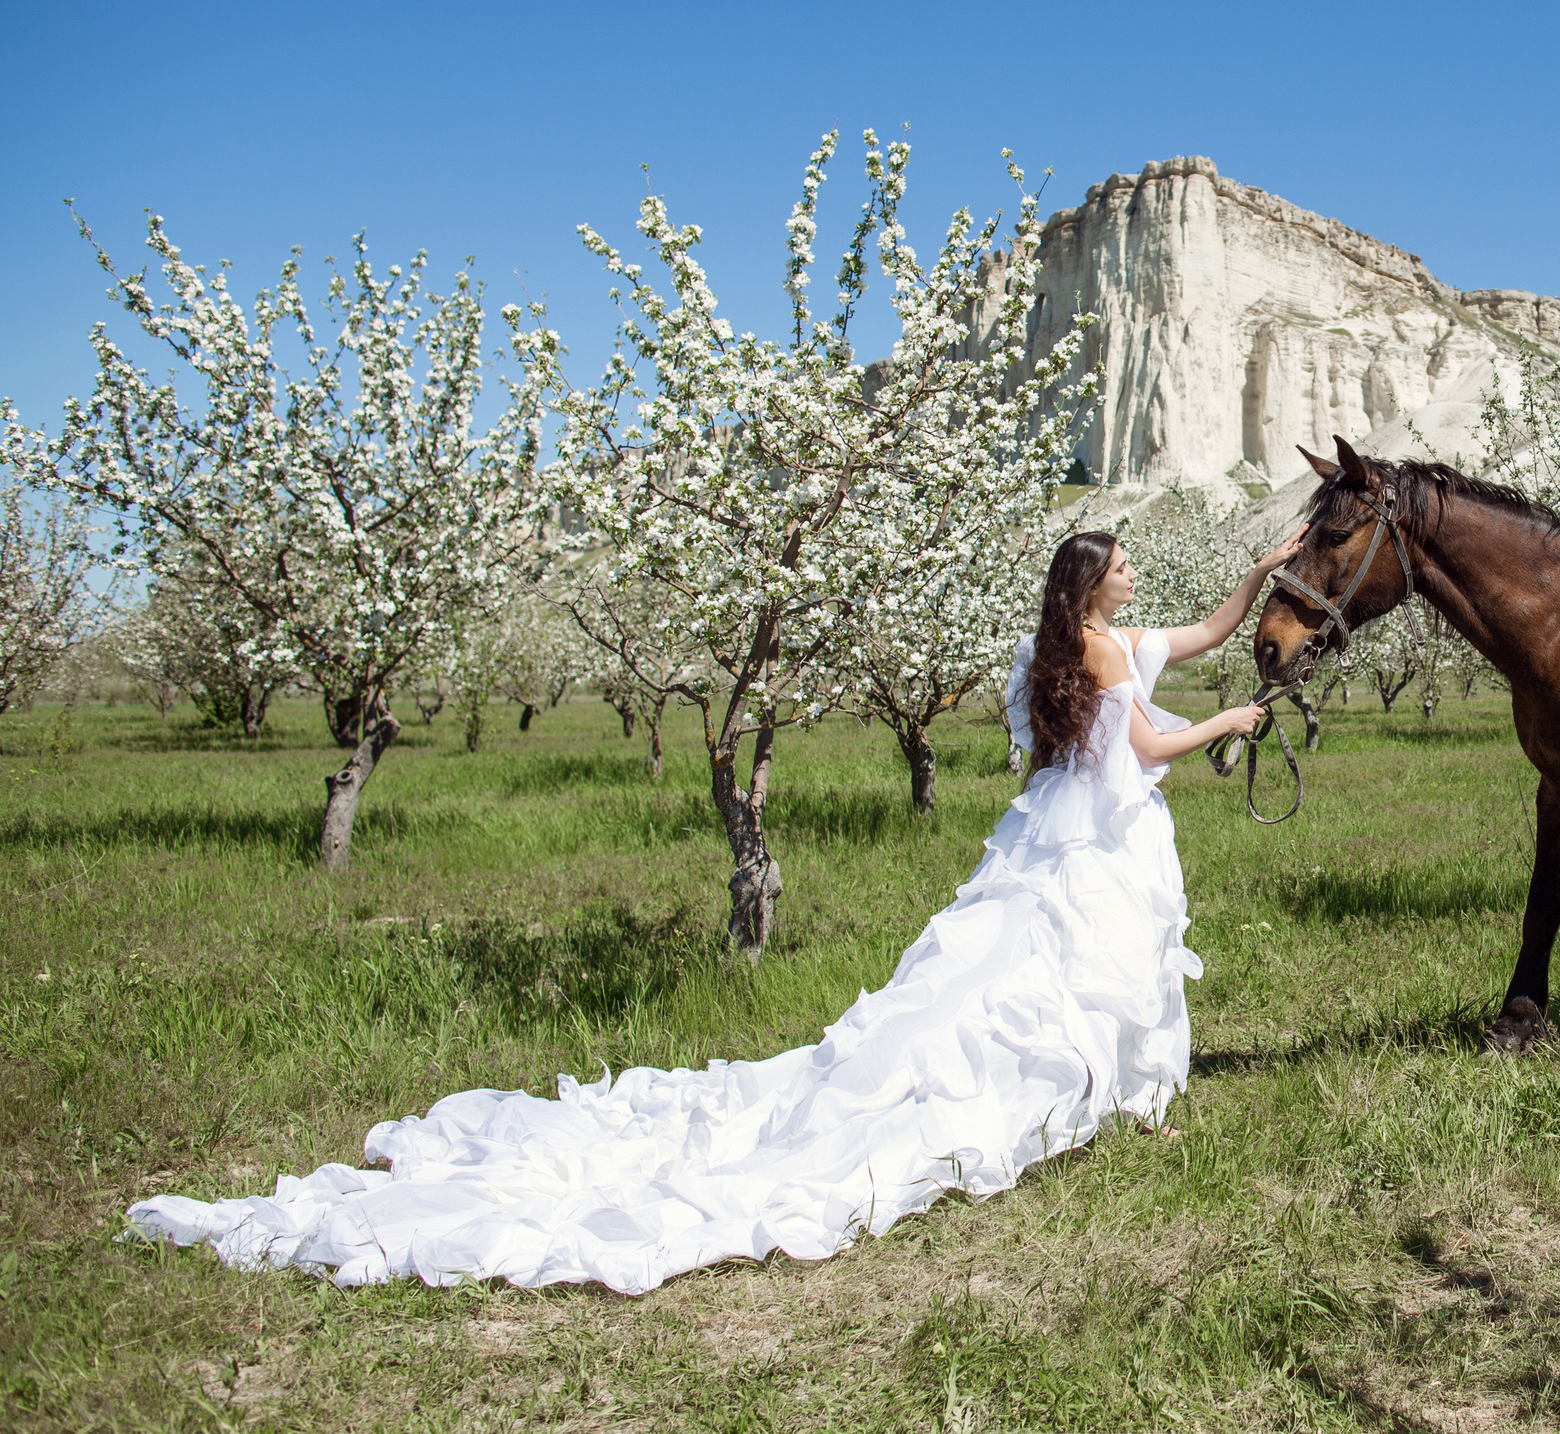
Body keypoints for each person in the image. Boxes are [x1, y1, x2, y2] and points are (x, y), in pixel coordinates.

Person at [125, 522, 1304, 1296]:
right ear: (1092, 585)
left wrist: (1262, 573)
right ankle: (1108, 1101)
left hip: (1078, 830)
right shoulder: (1095, 653)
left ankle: (1117, 1099)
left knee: (1081, 965)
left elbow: (1202, 635)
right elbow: (1142, 746)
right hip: (1097, 833)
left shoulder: (1093, 642)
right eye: (1123, 565)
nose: (1135, 576)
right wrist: (1228, 724)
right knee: (1075, 965)